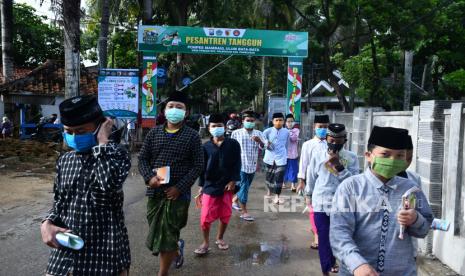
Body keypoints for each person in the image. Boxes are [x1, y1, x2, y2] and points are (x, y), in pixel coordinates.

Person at [40, 95, 131, 276]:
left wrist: (102, 143)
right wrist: (47, 222)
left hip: (105, 256)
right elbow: (59, 201)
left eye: (81, 131)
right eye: (69, 132)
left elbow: (108, 184)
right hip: (66, 251)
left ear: (100, 126)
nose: (74, 137)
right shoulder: (65, 160)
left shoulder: (117, 154)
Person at [330, 126, 434, 276]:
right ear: (368, 155)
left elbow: (424, 229)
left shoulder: (411, 189)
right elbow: (339, 233)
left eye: (399, 156)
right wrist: (357, 264)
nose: (392, 160)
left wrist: (415, 219)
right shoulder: (351, 188)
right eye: (385, 154)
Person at [138, 90, 203, 276]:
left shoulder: (192, 136)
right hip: (155, 193)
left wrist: (179, 188)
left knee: (167, 234)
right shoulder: (154, 134)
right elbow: (142, 159)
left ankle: (163, 273)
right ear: (164, 110)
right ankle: (176, 248)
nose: (175, 110)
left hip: (177, 195)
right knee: (157, 230)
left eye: (179, 107)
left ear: (186, 112)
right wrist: (149, 178)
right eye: (171, 106)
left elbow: (198, 166)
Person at [306, 123, 359, 275]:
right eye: (331, 140)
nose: (334, 143)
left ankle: (339, 263)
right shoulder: (317, 155)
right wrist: (308, 195)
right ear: (327, 138)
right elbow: (311, 177)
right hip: (321, 202)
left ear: (345, 140)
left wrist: (339, 166)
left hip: (343, 204)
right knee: (323, 237)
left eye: (339, 140)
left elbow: (355, 182)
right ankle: (326, 269)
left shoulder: (352, 158)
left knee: (341, 236)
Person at [194, 114, 241, 255]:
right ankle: (205, 242)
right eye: (213, 126)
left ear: (225, 127)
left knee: (225, 214)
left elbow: (237, 163)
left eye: (219, 125)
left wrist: (233, 180)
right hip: (210, 185)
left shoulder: (233, 144)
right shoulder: (205, 147)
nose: (217, 128)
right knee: (205, 216)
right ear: (209, 128)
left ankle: (220, 238)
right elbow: (201, 168)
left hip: (227, 185)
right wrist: (201, 187)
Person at [296, 114, 330, 250]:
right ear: (314, 127)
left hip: (327, 182)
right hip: (311, 182)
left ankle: (321, 231)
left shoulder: (331, 144)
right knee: (313, 209)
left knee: (325, 210)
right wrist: (301, 181)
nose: (323, 129)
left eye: (326, 127)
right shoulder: (308, 144)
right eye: (320, 127)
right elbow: (303, 163)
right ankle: (317, 236)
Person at [231, 111, 266, 221]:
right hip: (240, 165)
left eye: (252, 121)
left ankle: (234, 200)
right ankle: (244, 212)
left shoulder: (259, 133)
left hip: (252, 164)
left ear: (255, 122)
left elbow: (265, 147)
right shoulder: (236, 133)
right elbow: (231, 148)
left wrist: (259, 141)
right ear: (243, 121)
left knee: (245, 186)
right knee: (244, 187)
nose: (250, 122)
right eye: (248, 121)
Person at [263, 112, 289, 205]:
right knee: (269, 176)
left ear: (283, 121)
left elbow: (287, 144)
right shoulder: (267, 131)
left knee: (279, 177)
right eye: (276, 120)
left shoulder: (286, 132)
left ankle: (277, 196)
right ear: (272, 121)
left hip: (281, 157)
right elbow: (262, 144)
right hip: (269, 157)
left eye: (280, 120)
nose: (278, 122)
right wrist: (267, 144)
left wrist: (287, 155)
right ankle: (269, 191)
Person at [283, 114, 300, 191]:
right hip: (284, 154)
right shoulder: (282, 130)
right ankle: (283, 183)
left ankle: (293, 185)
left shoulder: (296, 131)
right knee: (284, 169)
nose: (290, 123)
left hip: (293, 154)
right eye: (288, 121)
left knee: (293, 170)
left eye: (291, 121)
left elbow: (293, 139)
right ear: (285, 123)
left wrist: (289, 132)